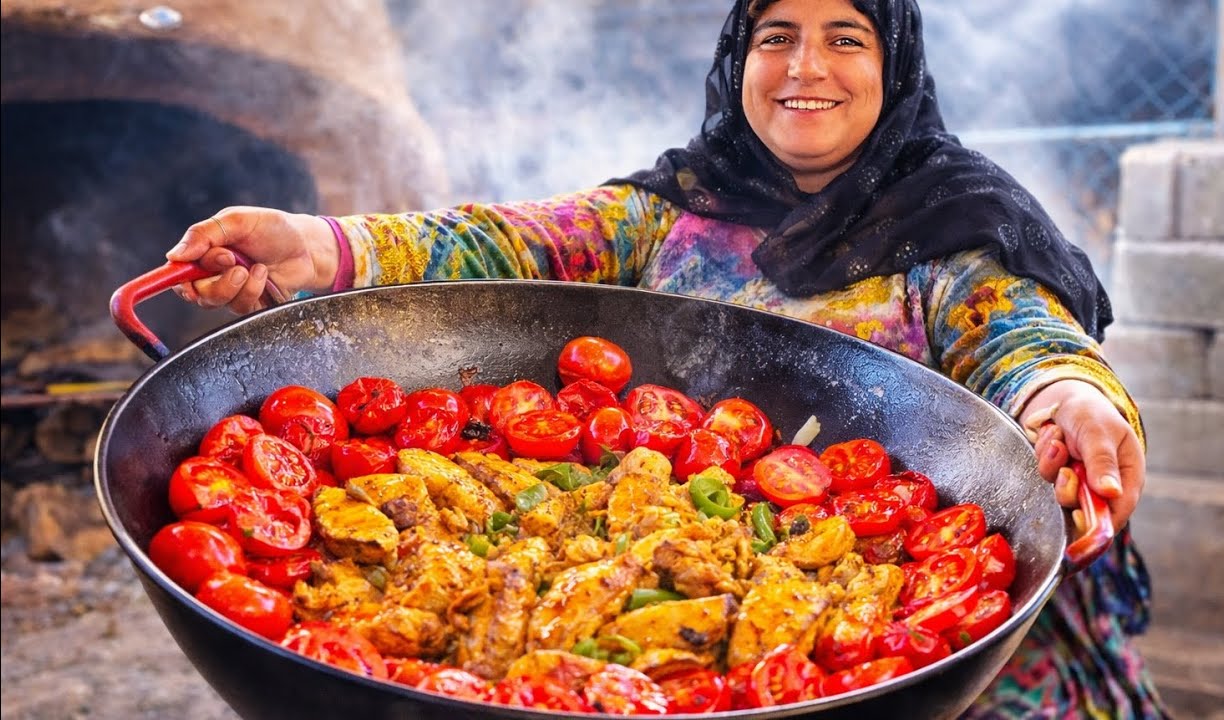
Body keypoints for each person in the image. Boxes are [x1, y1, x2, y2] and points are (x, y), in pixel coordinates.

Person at [166, 0, 1170, 716]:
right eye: (774, 37)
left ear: (893, 66)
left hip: (926, 658)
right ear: (738, 61)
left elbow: (1021, 331)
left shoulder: (952, 229)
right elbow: (502, 241)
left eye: (843, 39)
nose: (802, 68)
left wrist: (1065, 393)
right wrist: (312, 246)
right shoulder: (670, 211)